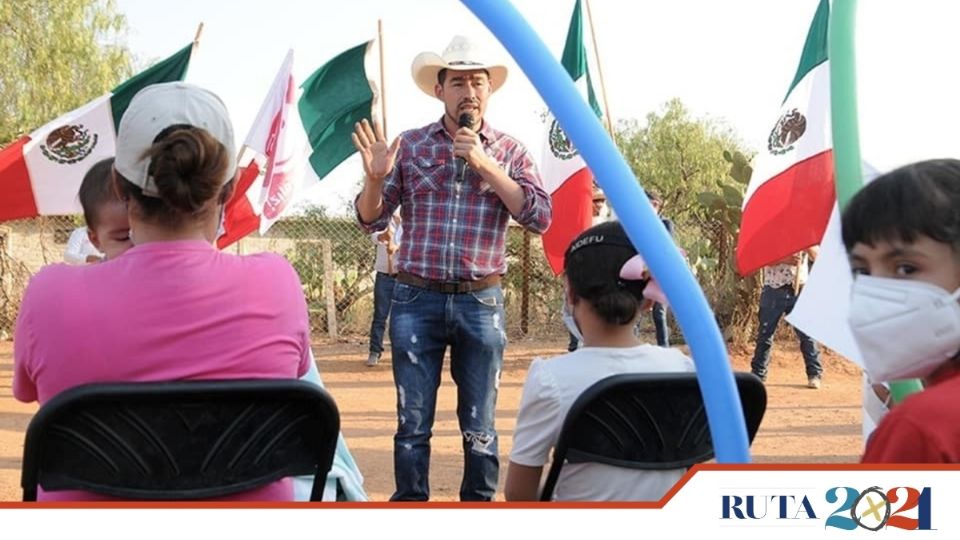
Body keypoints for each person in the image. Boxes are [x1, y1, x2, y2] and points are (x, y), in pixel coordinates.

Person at [13, 82, 312, 501]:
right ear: (226, 192)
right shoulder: (278, 283)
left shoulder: (50, 293)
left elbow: (27, 393)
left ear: (118, 187)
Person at [352, 35, 551, 501]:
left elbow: (539, 217)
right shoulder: (410, 145)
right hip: (415, 298)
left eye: (477, 81)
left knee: (480, 423)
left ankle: (477, 508)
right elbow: (370, 219)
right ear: (439, 89)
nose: (469, 91)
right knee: (412, 422)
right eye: (457, 81)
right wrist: (374, 179)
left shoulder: (510, 151)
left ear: (489, 90)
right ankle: (411, 506)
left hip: (482, 302)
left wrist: (484, 163)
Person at [505, 220, 694, 501]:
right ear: (648, 300)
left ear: (570, 294)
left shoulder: (551, 379)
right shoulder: (682, 370)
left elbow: (519, 495)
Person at [842, 159, 960, 463]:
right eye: (861, 271)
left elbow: (874, 512)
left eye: (906, 268)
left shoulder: (923, 427)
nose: (876, 293)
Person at [749, 248, 824, 388]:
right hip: (774, 289)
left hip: (799, 289)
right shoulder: (772, 235)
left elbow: (818, 257)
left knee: (806, 334)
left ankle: (814, 374)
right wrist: (785, 259)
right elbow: (764, 258)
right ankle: (758, 374)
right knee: (765, 334)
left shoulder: (805, 236)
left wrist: (808, 249)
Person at [73, 157, 132, 262]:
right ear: (96, 240)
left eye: (153, 235)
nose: (141, 248)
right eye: (124, 237)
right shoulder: (95, 277)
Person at [366, 213, 402, 367]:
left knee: (402, 317)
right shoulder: (381, 219)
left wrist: (396, 246)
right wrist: (384, 235)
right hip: (384, 276)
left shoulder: (411, 218)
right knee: (380, 315)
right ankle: (375, 351)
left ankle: (401, 353)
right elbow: (374, 237)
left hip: (405, 276)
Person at [645, 189, 674, 347]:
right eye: (651, 204)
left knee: (659, 312)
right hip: (640, 271)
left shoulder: (665, 224)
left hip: (660, 273)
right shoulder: (637, 224)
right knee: (636, 311)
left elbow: (666, 247)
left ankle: (664, 347)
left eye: (655, 204)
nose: (653, 207)